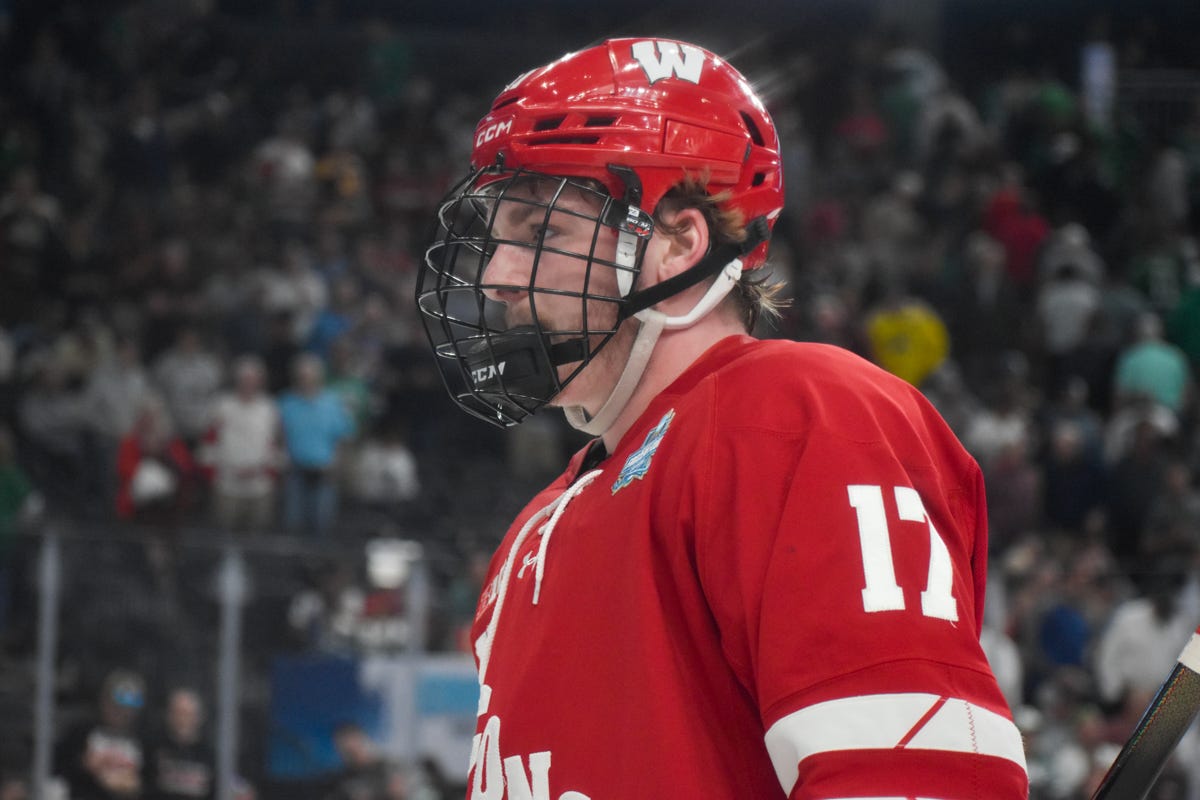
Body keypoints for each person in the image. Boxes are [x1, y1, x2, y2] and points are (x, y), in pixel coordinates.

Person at [415, 38, 1028, 798]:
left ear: (677, 241)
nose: (498, 276)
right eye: (498, 240)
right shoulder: (533, 532)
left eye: (545, 234)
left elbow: (911, 782)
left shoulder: (800, 416)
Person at [142, 688, 215, 800]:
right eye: (178, 713)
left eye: (188, 714)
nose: (182, 720)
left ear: (199, 718)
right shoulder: (153, 749)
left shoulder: (209, 755)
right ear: (168, 715)